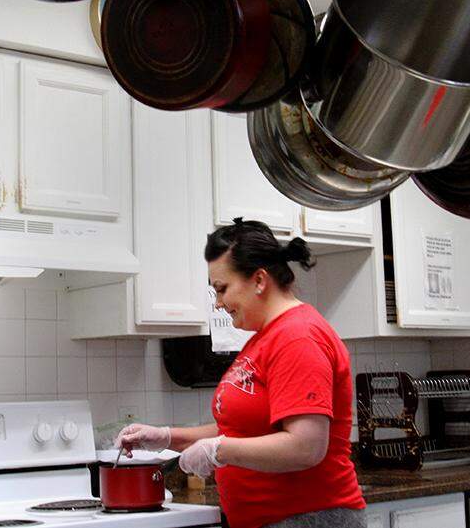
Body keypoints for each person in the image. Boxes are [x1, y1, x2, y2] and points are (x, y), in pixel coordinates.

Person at [116, 218, 366, 528]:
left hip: (309, 518)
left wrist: (219, 451)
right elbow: (244, 429)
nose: (219, 303)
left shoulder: (298, 336)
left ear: (259, 280)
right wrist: (168, 437)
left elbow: (307, 447)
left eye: (222, 289)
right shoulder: (265, 337)